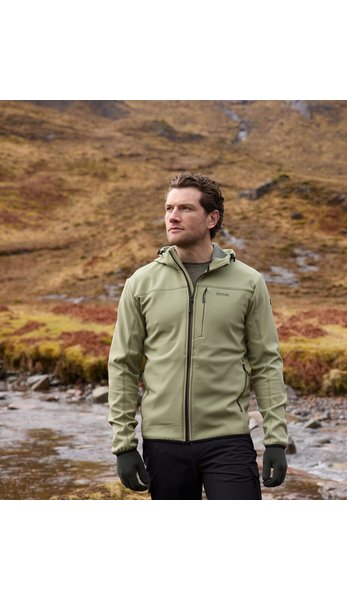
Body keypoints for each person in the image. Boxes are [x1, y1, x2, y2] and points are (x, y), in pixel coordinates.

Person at [107, 171, 288, 499]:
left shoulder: (248, 282)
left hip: (228, 440)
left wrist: (276, 439)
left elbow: (266, 363)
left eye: (185, 208)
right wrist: (124, 444)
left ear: (211, 218)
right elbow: (123, 365)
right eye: (169, 208)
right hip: (163, 443)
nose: (172, 216)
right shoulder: (141, 283)